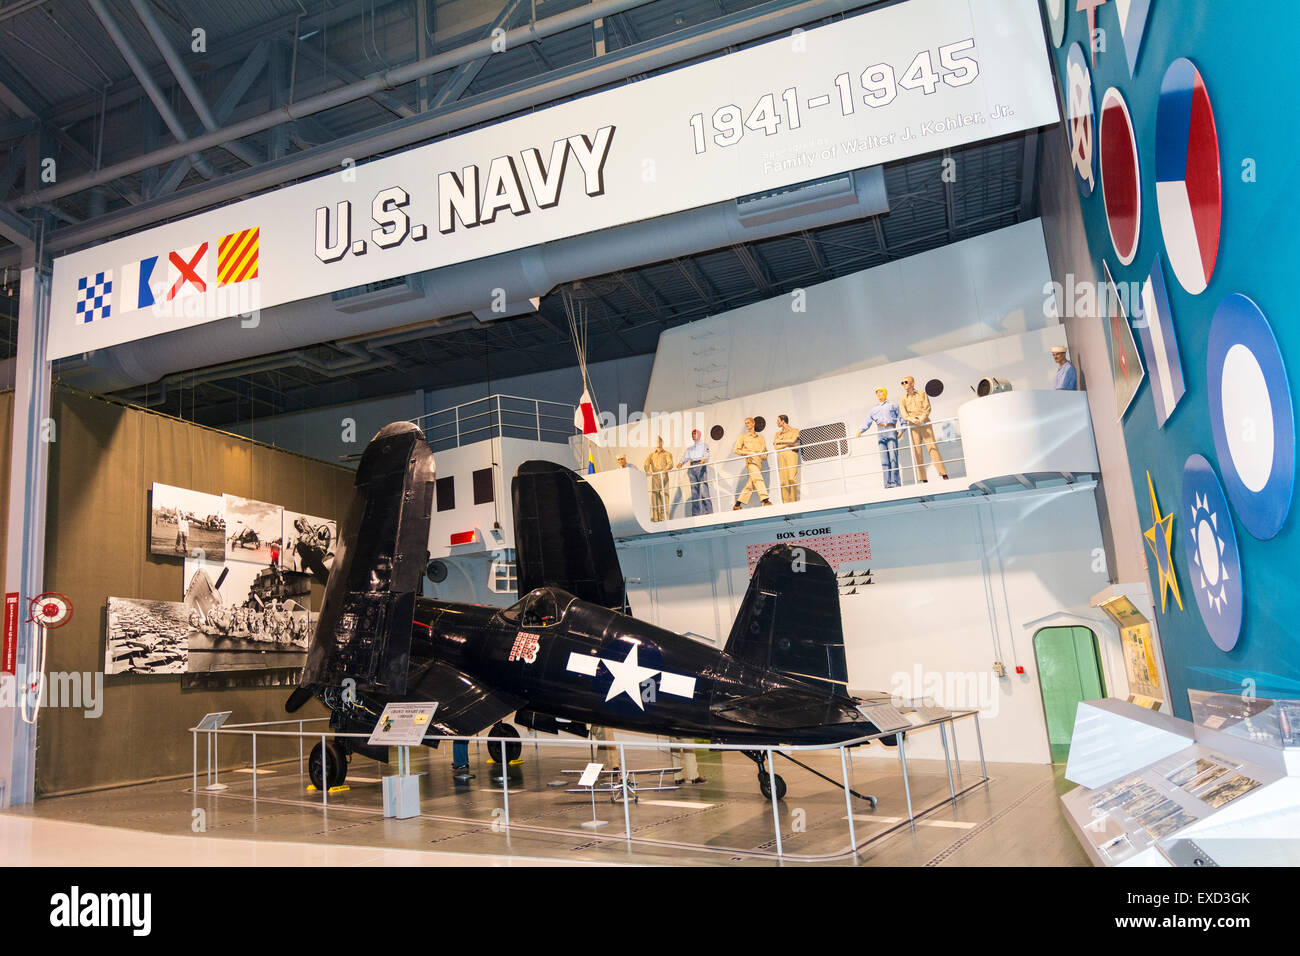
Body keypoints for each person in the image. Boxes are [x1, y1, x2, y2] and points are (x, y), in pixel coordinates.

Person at [900, 376, 948, 483]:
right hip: (913, 425)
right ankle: (923, 478)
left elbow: (927, 408)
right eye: (902, 383)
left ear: (912, 383)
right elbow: (904, 413)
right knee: (917, 451)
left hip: (924, 423)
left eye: (906, 382)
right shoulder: (903, 399)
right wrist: (912, 419)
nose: (904, 384)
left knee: (932, 447)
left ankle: (943, 474)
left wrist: (921, 419)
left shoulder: (922, 394)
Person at [858, 387, 903, 488]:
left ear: (885, 393)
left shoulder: (893, 405)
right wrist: (861, 431)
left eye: (881, 392)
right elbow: (867, 422)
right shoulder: (874, 409)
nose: (879, 395)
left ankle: (895, 482)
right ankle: (887, 484)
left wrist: (902, 430)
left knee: (893, 458)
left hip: (891, 429)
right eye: (877, 393)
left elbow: (902, 418)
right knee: (884, 460)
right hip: (880, 431)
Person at [732, 418, 772, 509]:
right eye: (745, 423)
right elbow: (736, 450)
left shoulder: (761, 438)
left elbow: (765, 452)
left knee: (751, 484)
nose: (747, 424)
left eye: (748, 422)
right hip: (751, 462)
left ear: (753, 423)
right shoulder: (743, 437)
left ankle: (737, 505)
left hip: (759, 463)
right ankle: (765, 500)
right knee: (758, 479)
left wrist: (763, 455)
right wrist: (748, 452)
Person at [679, 429, 713, 516]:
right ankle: (696, 513)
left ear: (699, 435)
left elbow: (707, 453)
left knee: (703, 489)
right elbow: (685, 457)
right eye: (692, 434)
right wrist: (681, 463)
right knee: (694, 490)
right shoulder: (690, 448)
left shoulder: (704, 445)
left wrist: (704, 459)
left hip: (700, 465)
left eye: (695, 434)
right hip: (692, 466)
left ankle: (708, 511)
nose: (693, 435)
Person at [643, 437, 674, 521]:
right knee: (655, 497)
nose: (658, 443)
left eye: (659, 441)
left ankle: (665, 517)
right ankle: (656, 518)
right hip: (655, 476)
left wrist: (665, 469)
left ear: (662, 442)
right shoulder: (651, 455)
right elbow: (646, 464)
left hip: (664, 475)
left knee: (665, 496)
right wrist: (648, 470)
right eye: (656, 441)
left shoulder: (667, 453)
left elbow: (670, 464)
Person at [773, 414, 801, 502]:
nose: (777, 422)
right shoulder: (778, 434)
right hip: (781, 456)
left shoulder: (795, 430)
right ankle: (785, 503)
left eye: (778, 421)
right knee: (783, 481)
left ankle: (794, 502)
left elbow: (793, 441)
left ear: (783, 421)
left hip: (792, 455)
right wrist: (789, 444)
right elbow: (776, 447)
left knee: (792, 478)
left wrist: (781, 442)